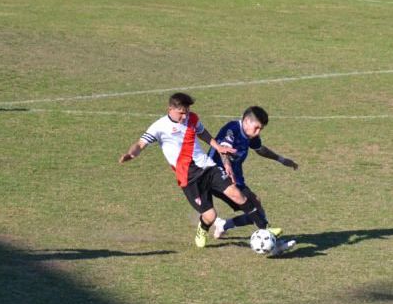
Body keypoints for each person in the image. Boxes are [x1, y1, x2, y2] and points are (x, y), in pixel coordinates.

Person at [119, 93, 273, 250]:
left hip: (208, 167)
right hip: (189, 178)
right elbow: (140, 144)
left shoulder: (192, 118)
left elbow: (203, 133)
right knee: (210, 216)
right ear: (170, 109)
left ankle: (264, 228)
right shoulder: (159, 127)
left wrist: (218, 147)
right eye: (181, 113)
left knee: (237, 194)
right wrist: (131, 154)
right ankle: (203, 229)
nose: (185, 116)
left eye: (187, 111)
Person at [207, 106, 297, 255]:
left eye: (260, 129)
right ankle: (274, 244)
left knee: (256, 207)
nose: (258, 132)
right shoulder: (232, 129)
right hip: (218, 175)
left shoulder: (251, 135)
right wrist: (227, 166)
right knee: (252, 207)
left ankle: (224, 225)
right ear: (247, 121)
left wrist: (281, 159)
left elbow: (260, 149)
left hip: (236, 176)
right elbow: (224, 150)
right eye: (256, 128)